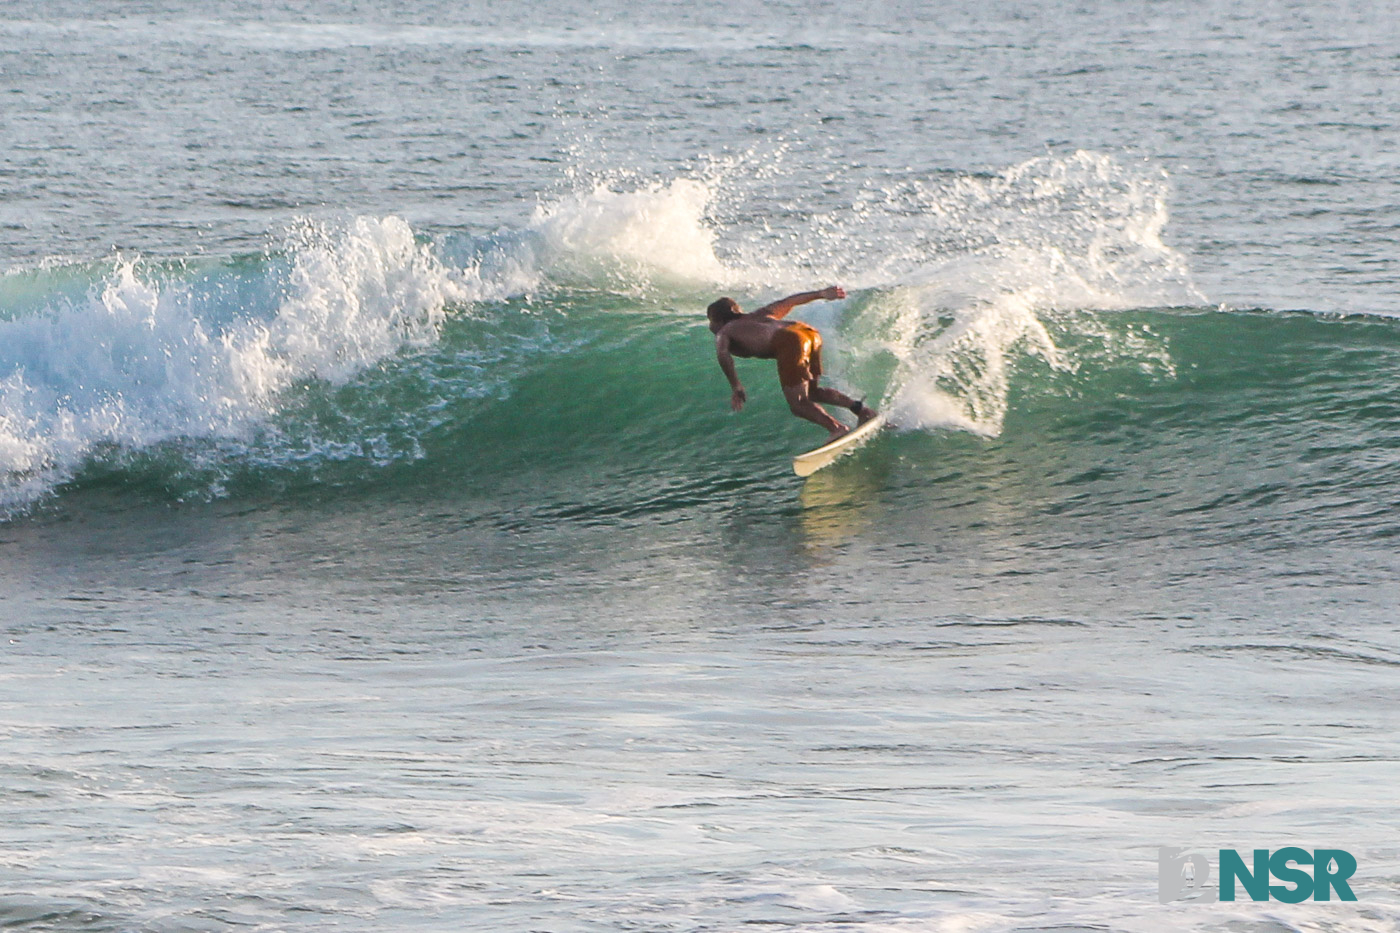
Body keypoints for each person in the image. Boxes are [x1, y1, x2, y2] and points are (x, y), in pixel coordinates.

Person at [707, 286, 877, 443]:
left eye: (711, 321)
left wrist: (736, 385)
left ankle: (837, 429)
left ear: (719, 320)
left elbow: (723, 355)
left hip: (790, 341)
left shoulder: (724, 331)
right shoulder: (760, 314)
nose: (710, 326)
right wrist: (821, 294)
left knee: (798, 404)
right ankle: (862, 410)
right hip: (808, 333)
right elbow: (789, 301)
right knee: (813, 392)